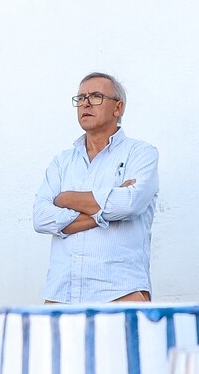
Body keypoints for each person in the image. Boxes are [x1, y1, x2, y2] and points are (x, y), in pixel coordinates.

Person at [32, 72, 159, 302]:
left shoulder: (141, 153)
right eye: (80, 98)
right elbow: (41, 219)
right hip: (62, 294)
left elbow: (130, 203)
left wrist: (66, 198)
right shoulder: (62, 162)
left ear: (118, 108)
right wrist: (105, 212)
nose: (86, 103)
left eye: (96, 96)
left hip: (120, 292)